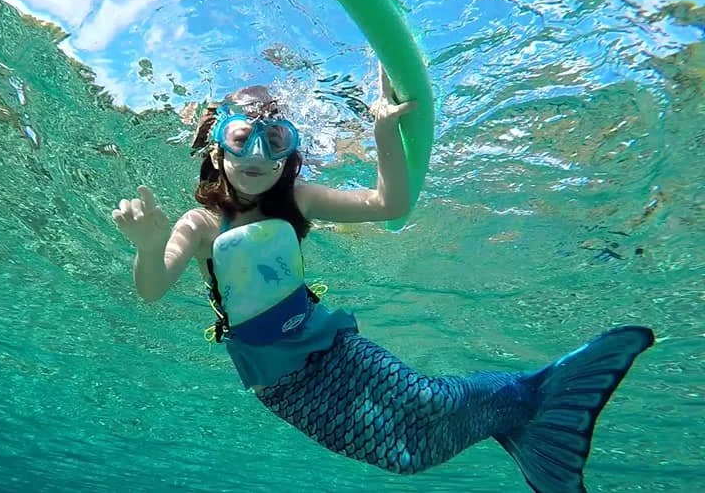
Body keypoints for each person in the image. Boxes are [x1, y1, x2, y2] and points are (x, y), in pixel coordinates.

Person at [111, 64, 654, 491]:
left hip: (331, 349)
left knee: (430, 402)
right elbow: (152, 289)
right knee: (406, 457)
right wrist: (150, 246)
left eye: (274, 140)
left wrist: (382, 132)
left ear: (291, 151)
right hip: (277, 383)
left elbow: (389, 202)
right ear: (216, 147)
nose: (257, 154)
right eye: (241, 138)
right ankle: (522, 417)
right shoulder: (201, 223)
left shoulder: (296, 198)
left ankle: (530, 395)